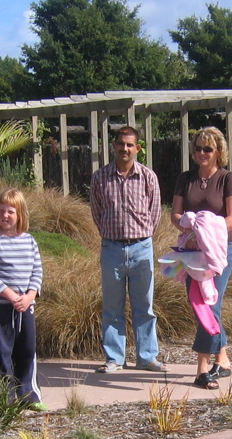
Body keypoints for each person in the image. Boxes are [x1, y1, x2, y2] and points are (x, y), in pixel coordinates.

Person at [88, 126, 167, 374]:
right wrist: (112, 236)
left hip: (141, 248)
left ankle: (147, 357)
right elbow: (96, 211)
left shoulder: (147, 177)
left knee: (145, 307)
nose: (125, 148)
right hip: (111, 248)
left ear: (138, 148)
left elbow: (155, 212)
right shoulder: (100, 177)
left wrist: (142, 237)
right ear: (114, 145)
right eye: (121, 144)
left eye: (130, 145)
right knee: (112, 307)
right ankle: (114, 358)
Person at [171, 127, 232, 390]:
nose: (202, 153)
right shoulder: (186, 178)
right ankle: (222, 358)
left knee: (208, 304)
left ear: (219, 152)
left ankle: (202, 368)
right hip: (191, 250)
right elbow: (176, 215)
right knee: (201, 304)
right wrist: (189, 226)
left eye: (208, 149)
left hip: (219, 251)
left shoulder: (228, 179)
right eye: (198, 148)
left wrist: (206, 227)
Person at [0, 189, 45, 409]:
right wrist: (10, 296)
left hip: (26, 307)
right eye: (1, 211)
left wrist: (29, 296)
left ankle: (29, 394)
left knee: (27, 350)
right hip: (1, 307)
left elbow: (37, 271)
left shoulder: (30, 241)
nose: (5, 215)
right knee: (3, 351)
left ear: (20, 214)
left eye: (10, 211)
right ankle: (3, 396)